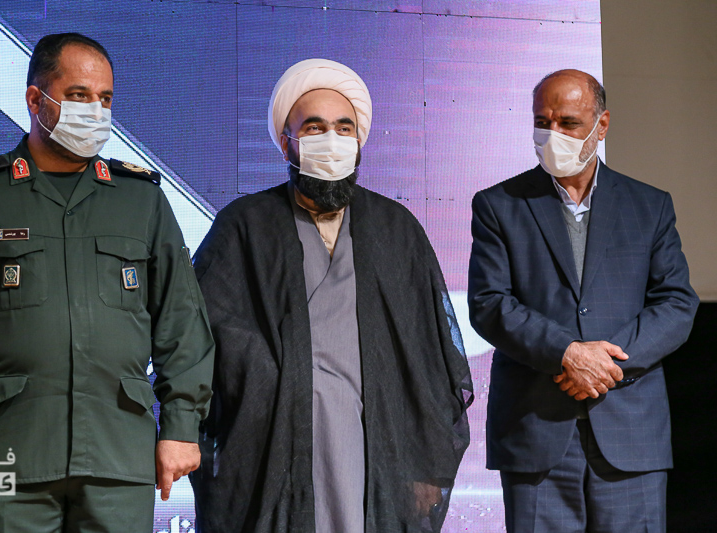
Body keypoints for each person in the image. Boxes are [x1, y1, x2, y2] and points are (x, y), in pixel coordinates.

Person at [0, 32, 214, 532]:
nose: (95, 111)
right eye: (79, 95)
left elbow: (181, 322)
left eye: (105, 99)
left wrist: (182, 425)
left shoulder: (140, 199)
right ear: (36, 100)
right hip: (3, 454)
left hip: (118, 456)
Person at [190, 58, 473, 533]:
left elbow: (431, 356)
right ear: (288, 141)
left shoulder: (396, 229)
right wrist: (278, 378)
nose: (332, 139)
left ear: (359, 141)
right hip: (272, 449)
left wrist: (428, 465)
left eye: (344, 128)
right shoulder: (245, 225)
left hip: (380, 446)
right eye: (314, 127)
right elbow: (204, 338)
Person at [468, 69, 699, 532]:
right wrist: (567, 354)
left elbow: (676, 303)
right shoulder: (498, 204)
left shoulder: (649, 205)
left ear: (602, 124)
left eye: (568, 123)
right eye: (542, 122)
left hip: (631, 432)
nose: (552, 134)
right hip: (535, 431)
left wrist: (604, 365)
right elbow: (490, 303)